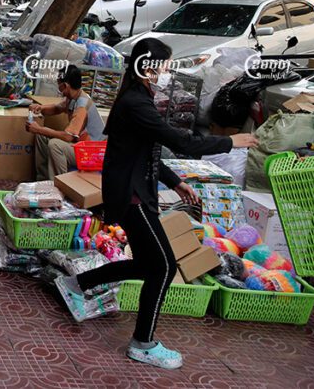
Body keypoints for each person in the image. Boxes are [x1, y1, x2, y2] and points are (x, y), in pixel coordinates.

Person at [54, 38, 258, 370]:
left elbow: (146, 151)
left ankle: (76, 284)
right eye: (162, 64)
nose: (164, 71)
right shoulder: (136, 103)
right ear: (146, 66)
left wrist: (175, 182)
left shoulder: (139, 97)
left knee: (148, 265)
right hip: (131, 196)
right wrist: (229, 141)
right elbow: (181, 141)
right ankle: (143, 343)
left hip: (137, 191)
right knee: (163, 266)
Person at [27, 64, 106, 180]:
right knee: (41, 136)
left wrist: (39, 128)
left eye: (59, 85)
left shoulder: (82, 106)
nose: (58, 89)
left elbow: (69, 137)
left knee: (55, 145)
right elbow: (56, 108)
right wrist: (40, 107)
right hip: (81, 144)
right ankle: (43, 180)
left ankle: (59, 186)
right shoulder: (73, 97)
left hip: (92, 153)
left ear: (65, 85)